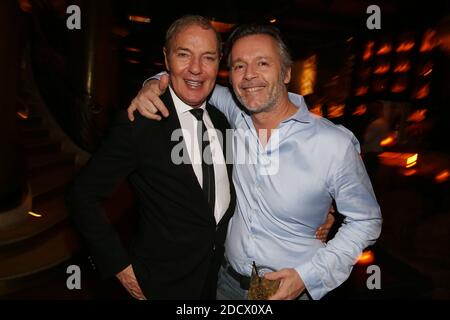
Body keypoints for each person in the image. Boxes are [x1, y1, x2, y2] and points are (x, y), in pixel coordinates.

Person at [128, 24, 375, 300]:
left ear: (286, 73)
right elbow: (188, 78)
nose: (249, 76)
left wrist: (309, 276)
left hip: (292, 290)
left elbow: (366, 220)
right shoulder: (234, 112)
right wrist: (152, 84)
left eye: (263, 63)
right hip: (226, 283)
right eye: (239, 66)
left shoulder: (332, 145)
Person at [65, 15, 238, 300]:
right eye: (184, 55)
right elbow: (80, 195)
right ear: (166, 59)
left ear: (219, 62)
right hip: (158, 286)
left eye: (208, 57)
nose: (196, 69)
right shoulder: (140, 122)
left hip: (211, 284)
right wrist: (119, 267)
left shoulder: (222, 123)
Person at [361, 100, 390, 185]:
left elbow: (367, 139)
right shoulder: (384, 122)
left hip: (371, 152)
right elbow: (385, 138)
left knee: (368, 175)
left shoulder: (375, 124)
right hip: (378, 150)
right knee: (373, 174)